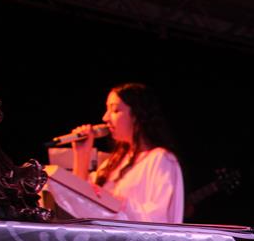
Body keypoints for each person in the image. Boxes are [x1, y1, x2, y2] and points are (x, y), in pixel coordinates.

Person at [69, 83, 184, 223]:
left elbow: (158, 217)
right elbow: (79, 205)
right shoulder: (112, 164)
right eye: (107, 110)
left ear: (136, 115)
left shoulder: (161, 159)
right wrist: (81, 155)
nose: (105, 118)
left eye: (115, 110)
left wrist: (116, 202)